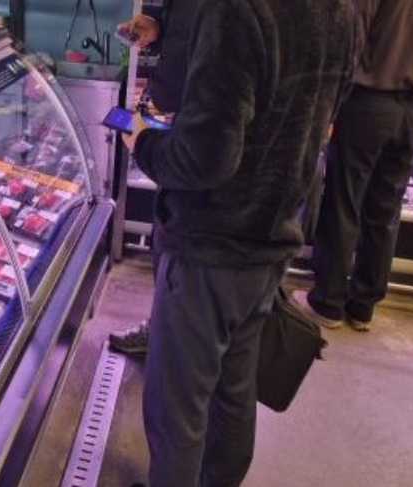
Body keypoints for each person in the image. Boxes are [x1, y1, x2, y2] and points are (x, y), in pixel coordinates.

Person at [122, 0, 354, 485]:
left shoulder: (233, 10)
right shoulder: (342, 8)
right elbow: (328, 110)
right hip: (273, 235)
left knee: (177, 407)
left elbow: (204, 159)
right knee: (234, 390)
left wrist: (142, 141)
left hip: (209, 241)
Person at [292, 0, 413, 333]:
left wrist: (330, 106)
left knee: (344, 203)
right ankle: (364, 305)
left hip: (368, 100)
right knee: (385, 210)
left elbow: (353, 38)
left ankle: (328, 302)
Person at [109, 0, 195, 355]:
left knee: (182, 251)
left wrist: (143, 142)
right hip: (182, 122)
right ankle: (162, 328)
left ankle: (168, 343)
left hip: (203, 151)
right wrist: (157, 26)